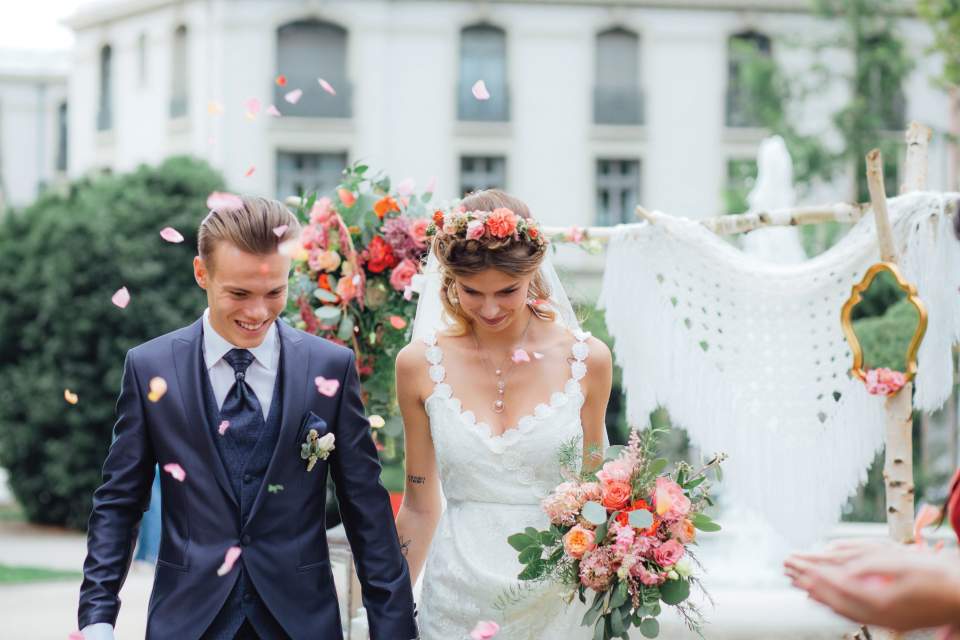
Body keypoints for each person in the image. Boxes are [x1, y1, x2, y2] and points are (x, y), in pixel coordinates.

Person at [78, 196, 417, 639]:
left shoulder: (330, 367)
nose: (257, 312)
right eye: (239, 293)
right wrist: (97, 619)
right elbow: (119, 502)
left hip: (301, 622)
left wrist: (393, 630)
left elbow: (366, 509)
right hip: (188, 621)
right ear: (202, 273)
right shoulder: (150, 367)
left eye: (273, 292)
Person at [394, 190, 613, 638]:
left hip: (556, 605)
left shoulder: (588, 360)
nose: (490, 309)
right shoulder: (417, 365)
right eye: (472, 292)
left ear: (534, 273)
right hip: (454, 601)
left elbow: (596, 502)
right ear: (449, 280)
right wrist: (386, 607)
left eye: (507, 291)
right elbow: (418, 505)